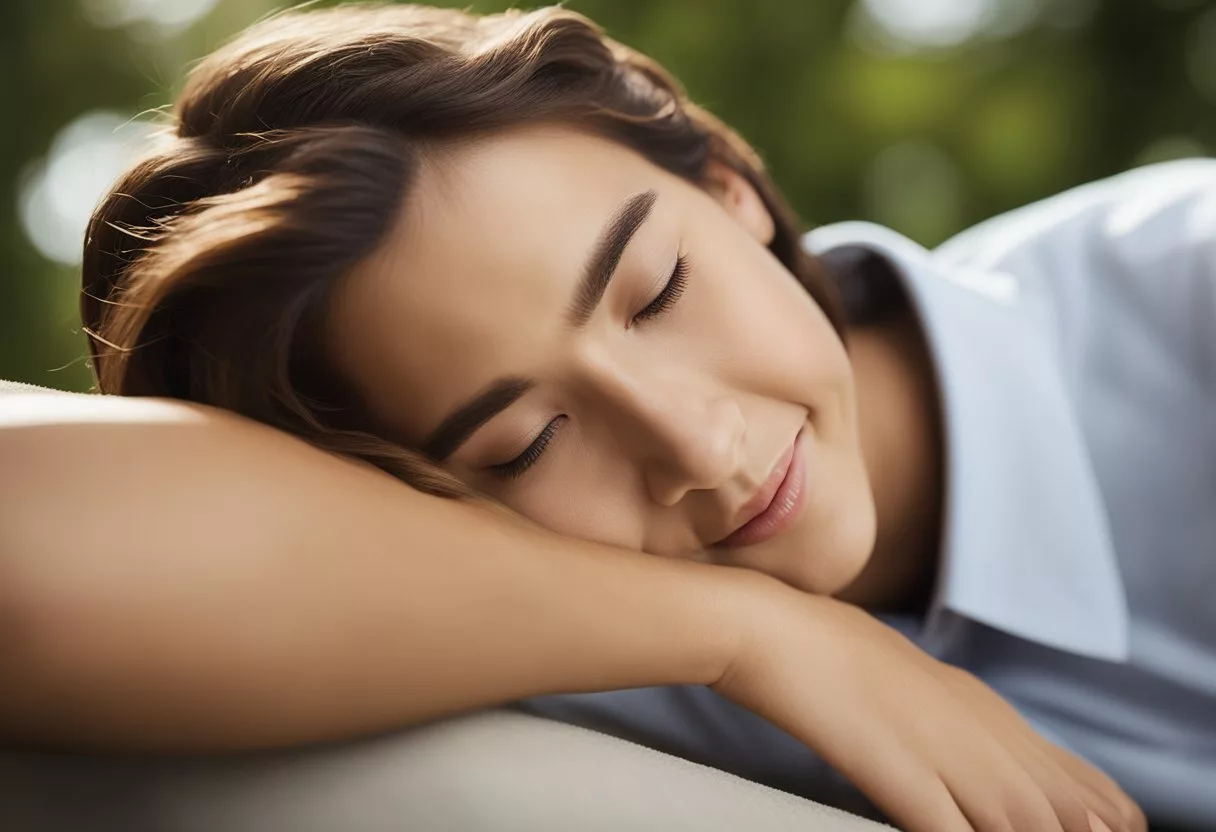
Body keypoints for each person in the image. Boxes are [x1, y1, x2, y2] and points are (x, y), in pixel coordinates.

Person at [4, 1, 1212, 828]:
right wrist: (752, 635)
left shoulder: (1184, 293)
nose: (689, 444)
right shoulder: (536, 628)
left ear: (727, 189)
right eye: (522, 440)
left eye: (657, 290)